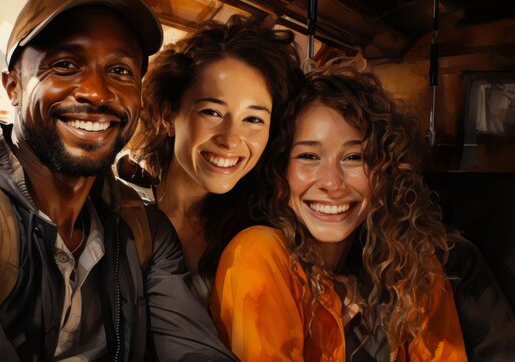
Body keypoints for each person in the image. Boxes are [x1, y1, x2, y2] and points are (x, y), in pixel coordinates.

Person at [0, 1, 236, 361]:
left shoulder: (145, 229)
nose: (97, 93)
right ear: (12, 87)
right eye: (66, 65)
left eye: (119, 70)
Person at [211, 61, 515, 361]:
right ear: (279, 170)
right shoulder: (257, 255)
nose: (332, 182)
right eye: (308, 155)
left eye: (354, 157)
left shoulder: (412, 265)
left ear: (384, 173)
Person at [124, 16, 303, 306]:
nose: (231, 139)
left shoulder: (273, 233)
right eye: (212, 112)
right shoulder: (122, 213)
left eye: (253, 119)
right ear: (169, 116)